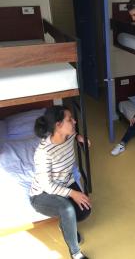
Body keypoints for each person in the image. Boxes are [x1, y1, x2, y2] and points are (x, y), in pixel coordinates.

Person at [29, 105, 91, 259]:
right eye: (70, 119)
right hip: (42, 194)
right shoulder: (44, 153)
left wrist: (79, 138)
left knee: (85, 211)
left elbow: (74, 133)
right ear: (58, 125)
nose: (75, 121)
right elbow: (47, 186)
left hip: (65, 183)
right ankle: (75, 253)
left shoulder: (68, 135)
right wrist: (72, 193)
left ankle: (65, 225)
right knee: (68, 209)